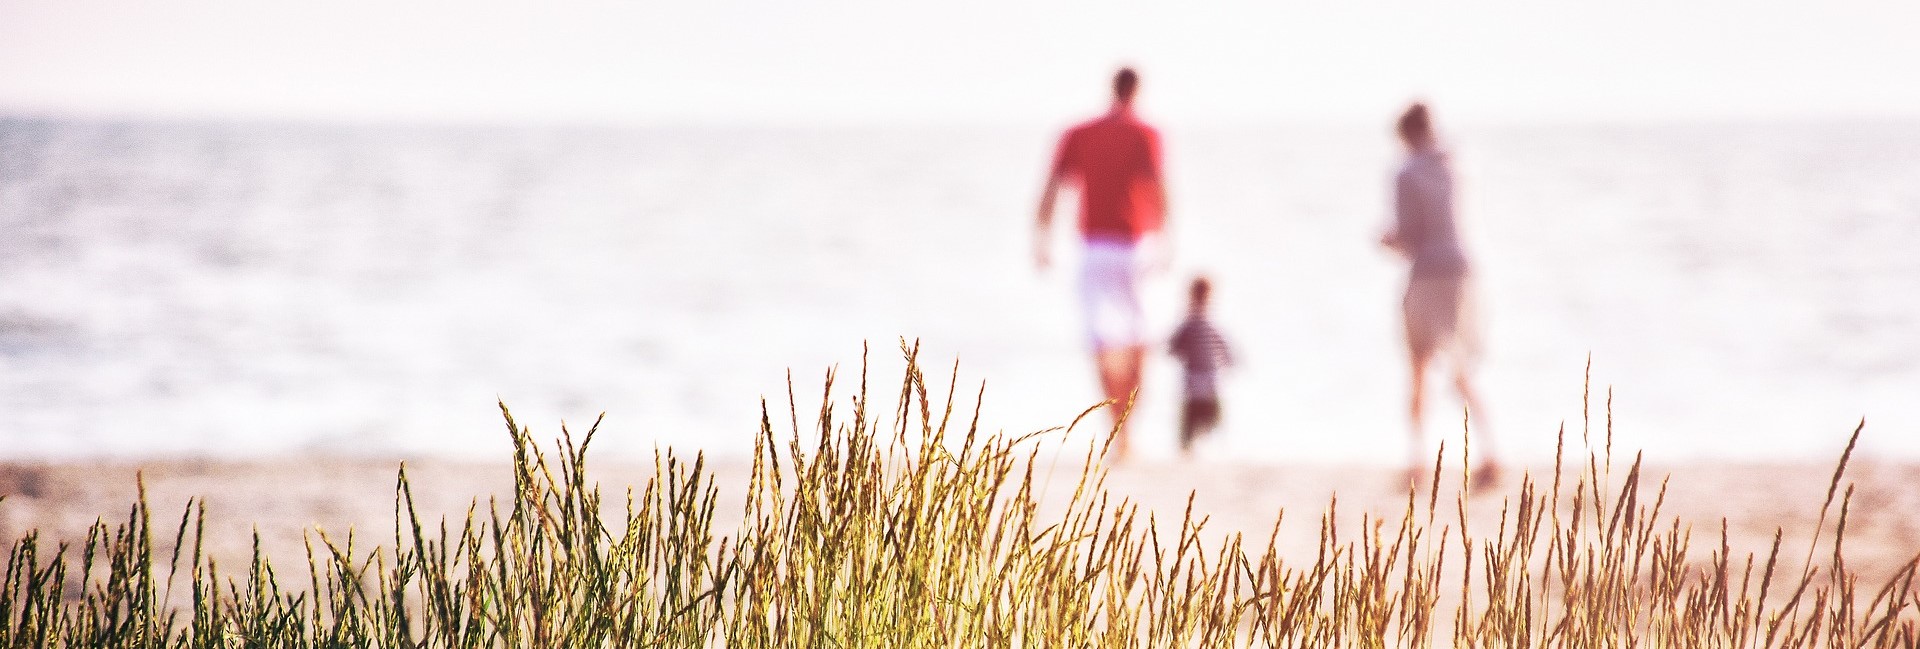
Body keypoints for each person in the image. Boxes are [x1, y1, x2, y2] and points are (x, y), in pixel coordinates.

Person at [1034, 67, 1169, 462]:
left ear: (1111, 88)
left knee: (1102, 340)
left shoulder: (1078, 133)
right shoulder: (1146, 134)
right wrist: (1167, 239)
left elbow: (1051, 188)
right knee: (1139, 339)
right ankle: (1128, 428)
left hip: (1093, 248)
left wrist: (1041, 240)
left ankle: (1118, 426)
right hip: (1136, 245)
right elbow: (1160, 188)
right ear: (1137, 91)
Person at [1379, 102, 1497, 489]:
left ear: (1406, 134)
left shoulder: (1407, 172)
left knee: (1418, 366)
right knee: (1461, 368)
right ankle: (1490, 451)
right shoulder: (1459, 165)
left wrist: (1387, 241)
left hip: (1428, 272)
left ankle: (1417, 461)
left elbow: (1410, 237)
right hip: (1465, 270)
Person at [1168, 276, 1234, 457]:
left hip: (1204, 375)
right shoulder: (1194, 324)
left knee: (1203, 409)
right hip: (1200, 375)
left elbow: (1173, 347)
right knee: (1198, 410)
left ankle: (1201, 442)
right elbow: (1174, 346)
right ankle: (1191, 443)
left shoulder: (1197, 323)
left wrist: (1228, 361)